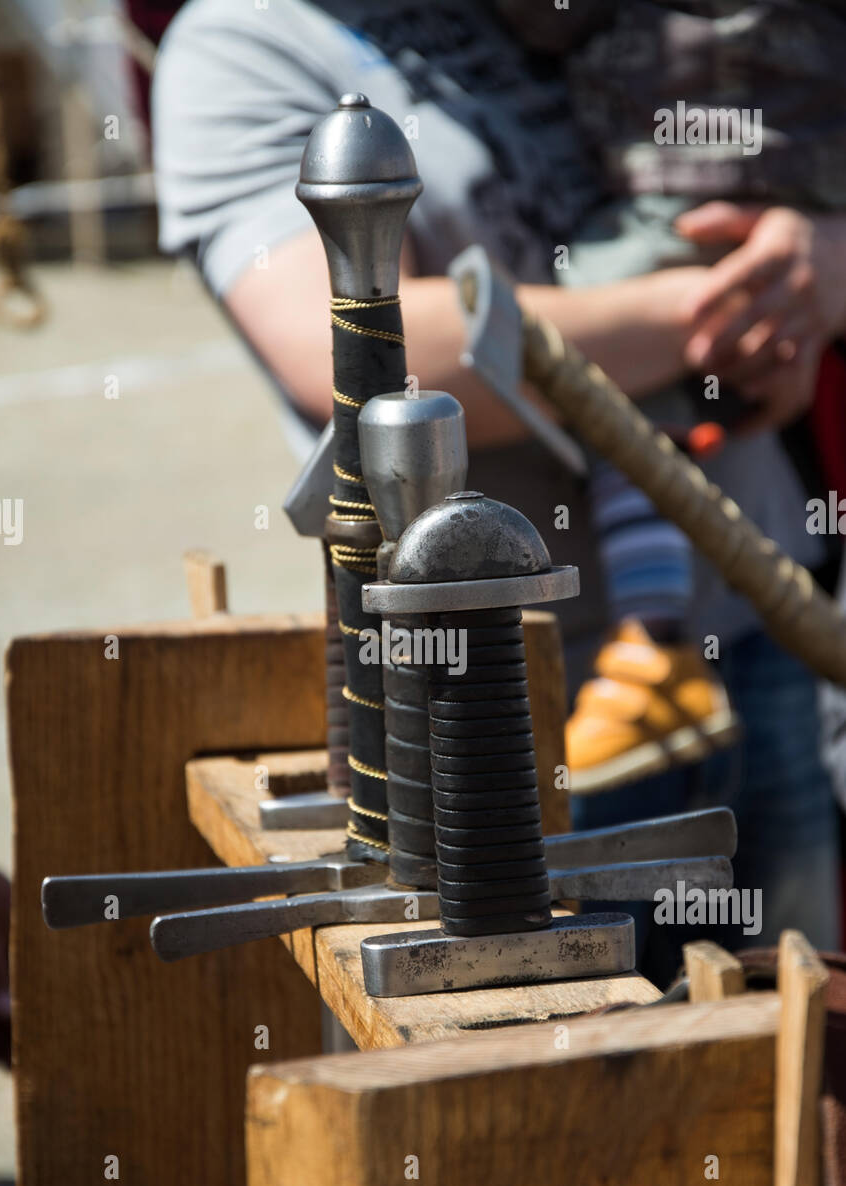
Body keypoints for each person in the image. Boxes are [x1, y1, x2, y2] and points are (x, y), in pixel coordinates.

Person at [152, 0, 846, 972]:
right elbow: (362, 352)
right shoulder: (240, 42)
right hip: (517, 701)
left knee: (801, 1055)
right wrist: (713, 308)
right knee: (590, 1086)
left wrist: (819, 259)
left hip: (754, 626)